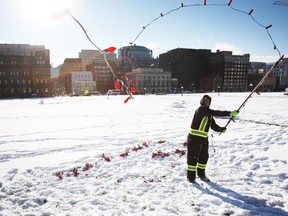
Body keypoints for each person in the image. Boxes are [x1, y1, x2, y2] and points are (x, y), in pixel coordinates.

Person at [187, 95, 239, 183]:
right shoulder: (201, 110)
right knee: (193, 158)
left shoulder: (209, 114)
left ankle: (201, 174)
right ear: (202, 101)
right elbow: (216, 112)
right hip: (194, 139)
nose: (207, 102)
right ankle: (191, 178)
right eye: (205, 100)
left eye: (208, 101)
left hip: (203, 139)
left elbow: (213, 126)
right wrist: (229, 113)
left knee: (204, 158)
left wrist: (220, 129)